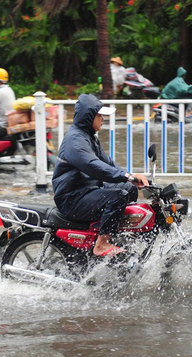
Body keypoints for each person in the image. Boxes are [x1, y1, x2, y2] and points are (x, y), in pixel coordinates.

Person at [52, 94, 149, 256]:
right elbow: (93, 166)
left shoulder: (89, 137)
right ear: (88, 116)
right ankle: (101, 244)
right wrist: (126, 176)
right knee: (118, 196)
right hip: (72, 198)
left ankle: (114, 232)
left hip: (87, 191)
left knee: (129, 189)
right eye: (100, 115)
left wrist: (133, 178)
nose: (103, 119)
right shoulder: (75, 141)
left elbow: (108, 164)